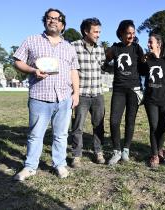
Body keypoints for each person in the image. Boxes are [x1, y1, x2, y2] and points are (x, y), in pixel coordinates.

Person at [13, 8, 80, 181]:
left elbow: (74, 71)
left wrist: (76, 93)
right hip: (40, 96)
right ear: (45, 21)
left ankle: (59, 164)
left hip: (64, 97)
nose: (53, 21)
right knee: (35, 134)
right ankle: (30, 166)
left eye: (57, 19)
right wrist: (33, 70)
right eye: (50, 18)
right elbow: (17, 62)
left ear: (62, 24)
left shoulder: (69, 47)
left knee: (61, 135)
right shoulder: (31, 40)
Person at [105, 20, 144, 165]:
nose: (131, 36)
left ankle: (126, 149)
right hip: (119, 90)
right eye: (129, 33)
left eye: (133, 33)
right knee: (114, 121)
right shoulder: (115, 48)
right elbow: (106, 62)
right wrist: (107, 55)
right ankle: (116, 151)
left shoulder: (137, 48)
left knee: (130, 121)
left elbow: (144, 67)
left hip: (133, 90)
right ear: (121, 33)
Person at [70, 18, 106, 168]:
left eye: (99, 31)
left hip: (98, 93)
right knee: (78, 126)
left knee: (99, 125)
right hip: (82, 94)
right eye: (95, 31)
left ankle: (98, 152)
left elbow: (104, 66)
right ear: (86, 31)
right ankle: (77, 155)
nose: (98, 34)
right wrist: (74, 92)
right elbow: (70, 70)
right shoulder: (73, 47)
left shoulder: (100, 48)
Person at [142, 32, 165, 168]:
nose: (148, 44)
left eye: (150, 42)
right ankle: (154, 154)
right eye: (148, 42)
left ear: (158, 44)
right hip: (150, 99)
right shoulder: (146, 60)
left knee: (163, 127)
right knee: (154, 126)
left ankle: (160, 149)